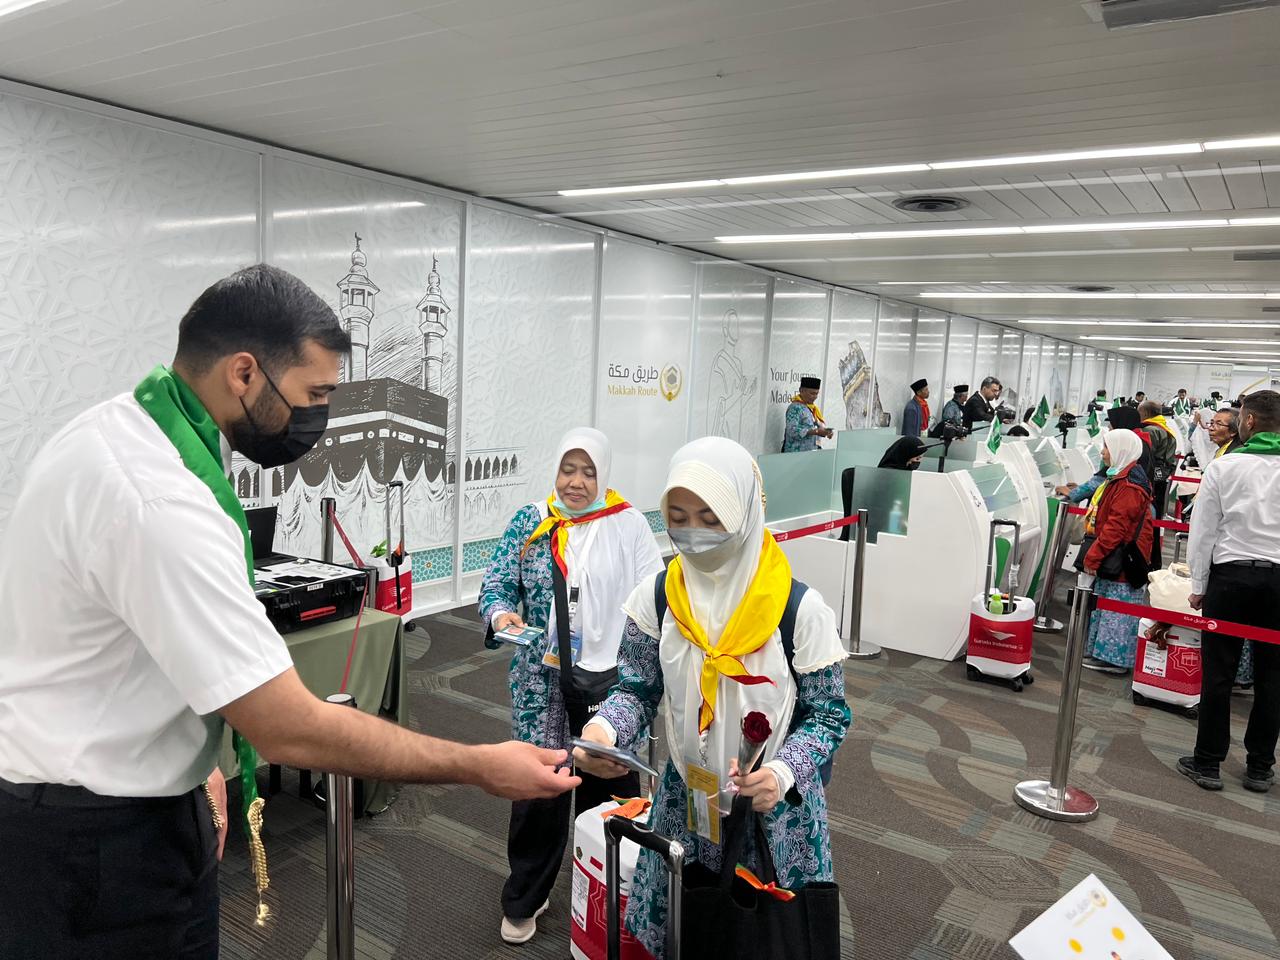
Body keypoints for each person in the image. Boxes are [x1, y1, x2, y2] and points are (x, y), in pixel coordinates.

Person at [0, 265, 578, 960]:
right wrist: (479, 763)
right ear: (245, 374)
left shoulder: (112, 433)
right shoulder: (159, 501)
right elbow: (288, 730)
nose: (319, 420)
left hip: (80, 796)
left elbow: (120, 643)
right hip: (96, 847)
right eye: (315, 395)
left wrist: (191, 757)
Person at [574, 437, 850, 957]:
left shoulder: (797, 611)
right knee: (690, 927)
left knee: (766, 937)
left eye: (709, 516)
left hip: (773, 811)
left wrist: (784, 772)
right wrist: (603, 731)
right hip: (688, 798)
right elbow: (635, 689)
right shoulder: (657, 598)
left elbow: (829, 715)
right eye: (677, 515)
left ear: (745, 512)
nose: (692, 533)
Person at [479, 428, 663, 944]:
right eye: (568, 469)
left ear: (603, 475)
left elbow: (656, 597)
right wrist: (500, 612)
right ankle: (524, 898)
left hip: (611, 685)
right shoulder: (532, 521)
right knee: (538, 785)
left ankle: (619, 896)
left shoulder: (627, 524)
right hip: (541, 680)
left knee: (611, 786)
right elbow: (496, 582)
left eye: (587, 472)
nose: (576, 482)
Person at [1178, 390, 1280, 794]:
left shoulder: (1226, 466)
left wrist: (1198, 586)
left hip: (1231, 576)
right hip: (1279, 583)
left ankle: (1208, 762)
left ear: (1250, 421)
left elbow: (1203, 532)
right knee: (1273, 677)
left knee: (1219, 672)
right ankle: (1259, 767)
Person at [1078, 429, 1155, 675]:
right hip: (1117, 554)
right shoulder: (1123, 476)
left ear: (1122, 449)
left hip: (1123, 556)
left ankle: (1115, 660)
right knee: (1109, 603)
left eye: (1107, 447)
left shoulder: (1130, 485)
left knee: (1118, 608)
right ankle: (1103, 654)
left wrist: (1094, 555)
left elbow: (1117, 527)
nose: (1103, 452)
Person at [1139, 399, 1178, 566]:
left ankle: (1148, 559)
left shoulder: (1150, 430)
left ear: (1146, 413)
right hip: (1162, 474)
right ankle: (1154, 560)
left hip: (1152, 475)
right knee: (1157, 512)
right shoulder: (1166, 428)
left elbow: (1146, 456)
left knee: (1149, 514)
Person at [783, 376, 834, 452]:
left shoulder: (811, 408)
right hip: (796, 455)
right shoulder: (795, 408)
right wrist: (815, 431)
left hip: (810, 454)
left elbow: (815, 425)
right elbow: (791, 430)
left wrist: (826, 432)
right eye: (812, 393)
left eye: (816, 394)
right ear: (801, 391)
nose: (815, 397)